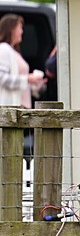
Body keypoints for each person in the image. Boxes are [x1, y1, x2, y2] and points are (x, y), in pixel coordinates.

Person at [0, 14, 48, 160]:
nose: (22, 31)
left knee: (14, 152)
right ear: (11, 29)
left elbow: (21, 84)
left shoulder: (15, 52)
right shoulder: (3, 49)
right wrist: (28, 78)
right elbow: (2, 78)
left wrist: (35, 85)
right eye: (20, 27)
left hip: (19, 110)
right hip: (9, 111)